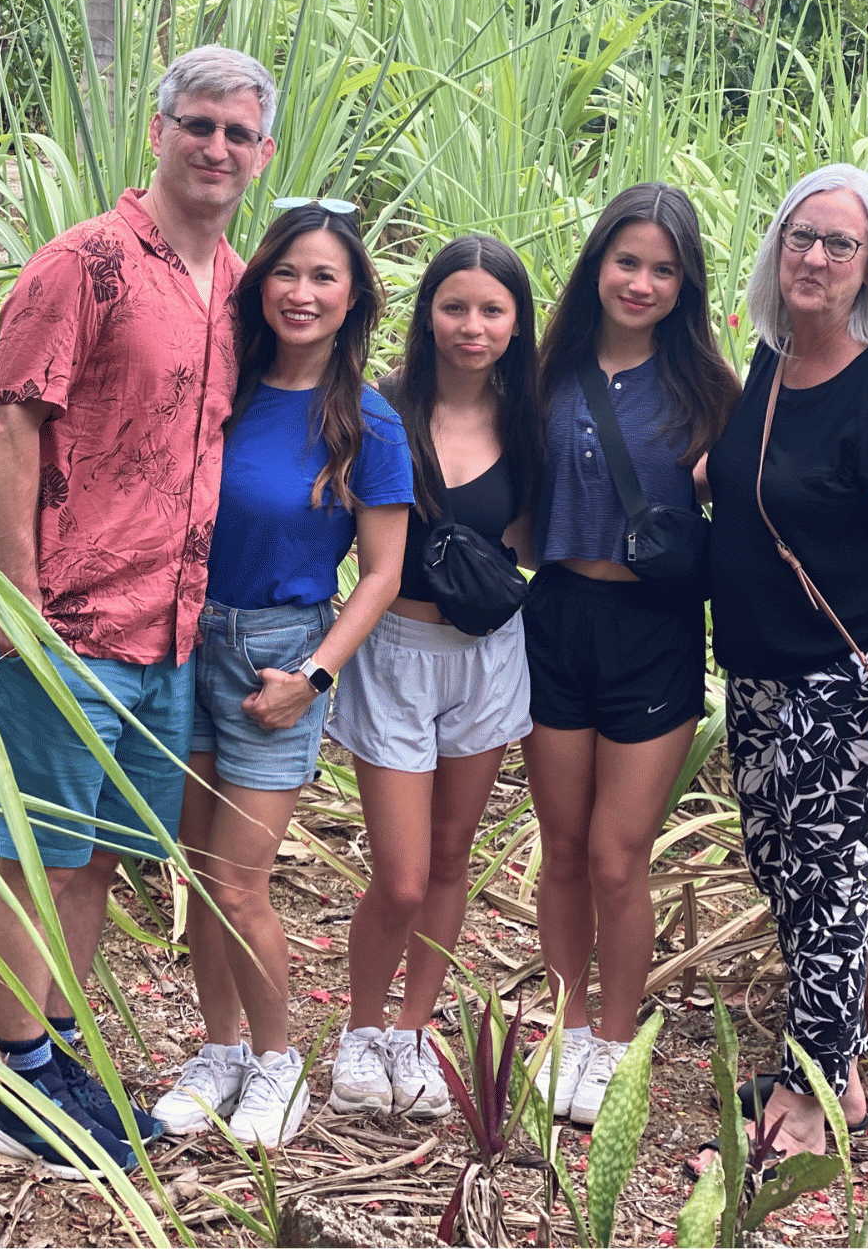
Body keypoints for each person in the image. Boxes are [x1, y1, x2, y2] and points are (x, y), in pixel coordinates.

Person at [0, 46, 278, 1174]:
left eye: (239, 134)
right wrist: (21, 603)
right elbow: (8, 427)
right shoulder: (85, 262)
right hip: (61, 627)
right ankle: (15, 1089)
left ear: (263, 153)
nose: (217, 148)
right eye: (199, 124)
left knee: (89, 859)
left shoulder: (239, 287)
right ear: (160, 130)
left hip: (166, 632)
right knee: (31, 855)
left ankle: (48, 1056)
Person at [692, 163, 868, 1172]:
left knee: (831, 886)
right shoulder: (770, 359)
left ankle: (809, 1097)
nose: (815, 258)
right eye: (801, 235)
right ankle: (835, 1067)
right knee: (786, 878)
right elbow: (740, 475)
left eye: (841, 244)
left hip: (833, 685)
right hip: (754, 673)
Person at [151, 202, 413, 1148]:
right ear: (260, 284)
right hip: (181, 639)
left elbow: (382, 572)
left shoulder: (367, 422)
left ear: (353, 299)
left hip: (280, 651)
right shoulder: (223, 386)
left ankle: (275, 1060)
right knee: (195, 869)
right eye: (287, 273)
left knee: (239, 880)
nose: (302, 293)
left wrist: (314, 674)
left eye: (325, 278)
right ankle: (218, 1051)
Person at [523, 183, 739, 1125]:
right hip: (556, 616)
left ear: (686, 281)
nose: (642, 282)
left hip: (654, 629)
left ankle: (614, 1042)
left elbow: (764, 510)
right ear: (597, 265)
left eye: (663, 268)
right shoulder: (545, 374)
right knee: (563, 850)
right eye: (627, 262)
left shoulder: (710, 390)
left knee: (619, 854)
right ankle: (568, 1030)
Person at [325, 235, 544, 1122]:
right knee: (403, 874)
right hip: (395, 656)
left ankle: (413, 1032)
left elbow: (529, 540)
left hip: (489, 660)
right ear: (427, 315)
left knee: (453, 856)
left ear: (518, 323)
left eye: (494, 310)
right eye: (455, 307)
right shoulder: (381, 411)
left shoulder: (529, 421)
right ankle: (361, 1028)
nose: (473, 326)